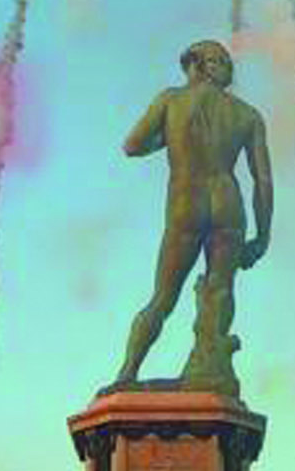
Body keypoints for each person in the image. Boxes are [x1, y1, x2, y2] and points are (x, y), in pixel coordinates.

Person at [113, 40, 273, 394]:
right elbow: (262, 180)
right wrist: (263, 236)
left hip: (187, 201)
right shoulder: (246, 115)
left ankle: (127, 374)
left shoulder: (171, 100)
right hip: (228, 204)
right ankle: (210, 367)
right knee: (220, 290)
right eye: (222, 61)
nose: (230, 68)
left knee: (163, 297)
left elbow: (132, 145)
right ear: (203, 65)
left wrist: (169, 140)